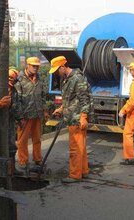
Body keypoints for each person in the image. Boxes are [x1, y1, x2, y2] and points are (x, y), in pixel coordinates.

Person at [50, 55, 91, 183]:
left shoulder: (77, 79)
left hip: (77, 118)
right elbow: (69, 99)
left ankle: (75, 175)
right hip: (72, 116)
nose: (57, 73)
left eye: (57, 70)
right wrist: (61, 109)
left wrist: (83, 117)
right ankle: (83, 171)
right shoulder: (67, 79)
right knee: (81, 147)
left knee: (75, 148)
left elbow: (85, 100)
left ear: (62, 66)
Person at [12, 57, 48, 169]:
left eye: (37, 66)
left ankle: (38, 159)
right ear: (27, 65)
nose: (35, 68)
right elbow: (16, 100)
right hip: (25, 116)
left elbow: (43, 96)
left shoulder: (39, 79)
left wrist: (45, 110)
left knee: (37, 139)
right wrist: (20, 117)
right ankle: (23, 161)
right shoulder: (19, 80)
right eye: (33, 66)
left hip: (37, 114)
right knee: (22, 140)